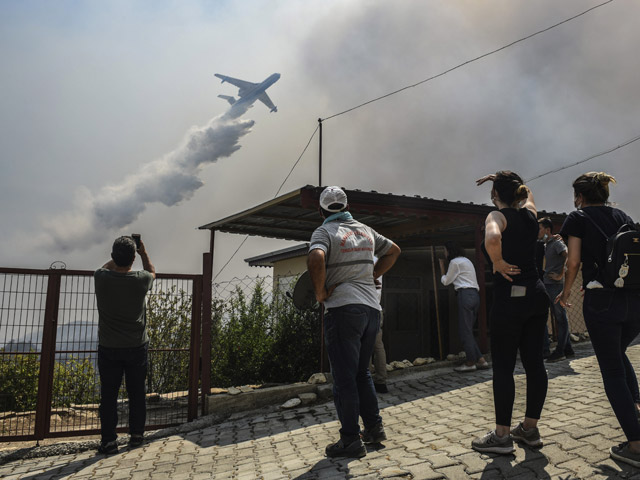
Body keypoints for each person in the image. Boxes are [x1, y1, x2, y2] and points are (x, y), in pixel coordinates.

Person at [308, 186, 401, 458]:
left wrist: (320, 293)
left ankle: (350, 439)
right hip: (372, 310)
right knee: (362, 373)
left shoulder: (323, 232)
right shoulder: (366, 230)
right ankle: (373, 429)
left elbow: (316, 256)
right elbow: (394, 250)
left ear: (321, 210)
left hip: (343, 310)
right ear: (347, 206)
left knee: (344, 377)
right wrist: (373, 274)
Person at [556, 172, 640, 467]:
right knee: (617, 352)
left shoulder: (578, 217)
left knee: (612, 371)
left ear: (579, 196)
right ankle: (636, 408)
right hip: (634, 302)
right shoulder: (623, 215)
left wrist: (565, 292)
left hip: (602, 302)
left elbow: (574, 260)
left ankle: (636, 445)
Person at [471, 171, 549, 454]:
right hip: (537, 296)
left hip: (510, 300)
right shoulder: (530, 214)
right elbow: (528, 194)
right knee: (534, 364)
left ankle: (502, 436)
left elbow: (493, 238)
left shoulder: (496, 216)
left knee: (504, 366)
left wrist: (498, 260)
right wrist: (505, 176)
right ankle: (529, 429)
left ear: (494, 196)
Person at [94, 236, 155, 454]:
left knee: (108, 395)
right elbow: (152, 272)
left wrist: (118, 259)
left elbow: (106, 268)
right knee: (137, 392)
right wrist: (142, 253)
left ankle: (109, 441)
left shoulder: (101, 278)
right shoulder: (141, 280)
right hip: (137, 346)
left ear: (112, 256)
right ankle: (137, 436)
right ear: (132, 259)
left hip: (109, 347)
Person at [438, 241, 489, 372]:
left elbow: (446, 281)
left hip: (464, 295)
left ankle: (470, 362)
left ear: (450, 251)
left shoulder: (454, 262)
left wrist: (442, 269)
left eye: (445, 250)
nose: (444, 253)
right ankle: (481, 360)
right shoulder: (467, 260)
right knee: (468, 331)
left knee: (464, 331)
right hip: (474, 295)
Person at [537, 217, 575, 362]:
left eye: (540, 228)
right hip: (547, 284)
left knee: (560, 317)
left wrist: (560, 275)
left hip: (555, 285)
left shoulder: (557, 243)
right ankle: (568, 349)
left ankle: (560, 352)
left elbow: (569, 256)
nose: (538, 232)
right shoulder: (547, 244)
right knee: (556, 315)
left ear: (547, 229)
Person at [370, 274, 388, 393]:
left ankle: (365, 383)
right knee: (378, 346)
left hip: (365, 307)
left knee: (364, 345)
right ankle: (381, 381)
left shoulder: (361, 258)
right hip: (377, 308)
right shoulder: (379, 260)